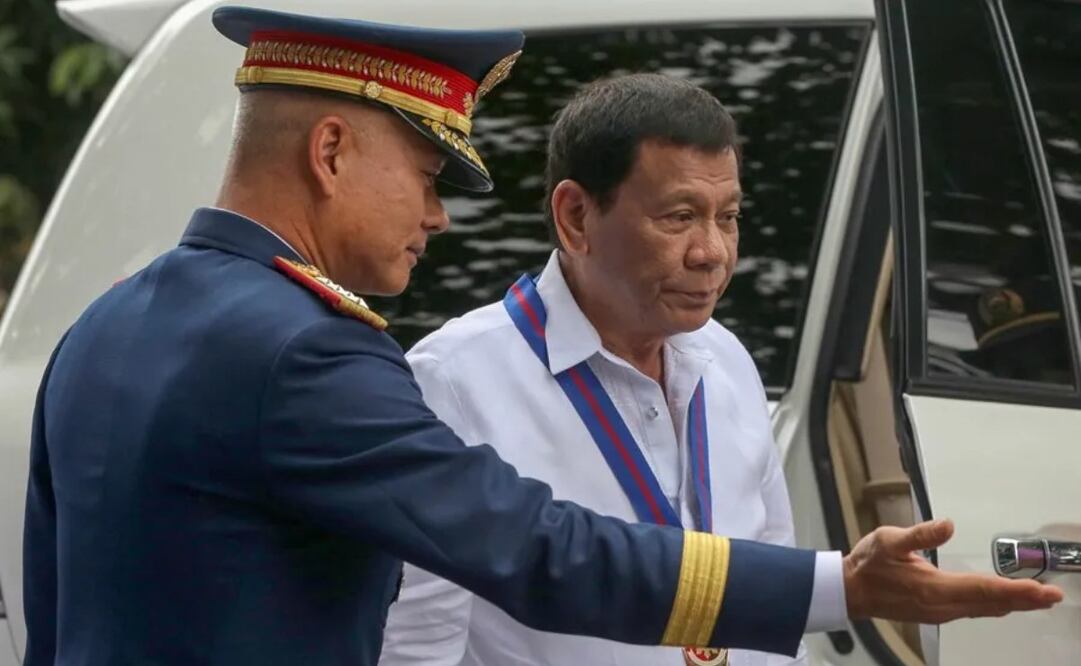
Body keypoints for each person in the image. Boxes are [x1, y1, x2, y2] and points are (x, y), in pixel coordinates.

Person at [21, 7, 1061, 666]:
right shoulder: (307, 351)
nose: (437, 218)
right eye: (428, 179)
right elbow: (534, 548)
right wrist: (839, 585)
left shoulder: (106, 327)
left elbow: (54, 611)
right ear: (330, 149)